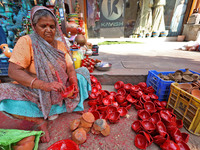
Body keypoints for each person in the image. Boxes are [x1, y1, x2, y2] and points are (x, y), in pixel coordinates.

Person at [0, 6, 91, 143]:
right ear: (34, 26)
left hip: (61, 89)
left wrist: (72, 82)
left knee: (82, 73)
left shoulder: (60, 44)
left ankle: (68, 105)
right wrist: (45, 85)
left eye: (52, 26)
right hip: (36, 91)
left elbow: (70, 67)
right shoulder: (27, 42)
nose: (49, 30)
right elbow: (13, 71)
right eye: (43, 26)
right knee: (2, 92)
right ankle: (38, 120)